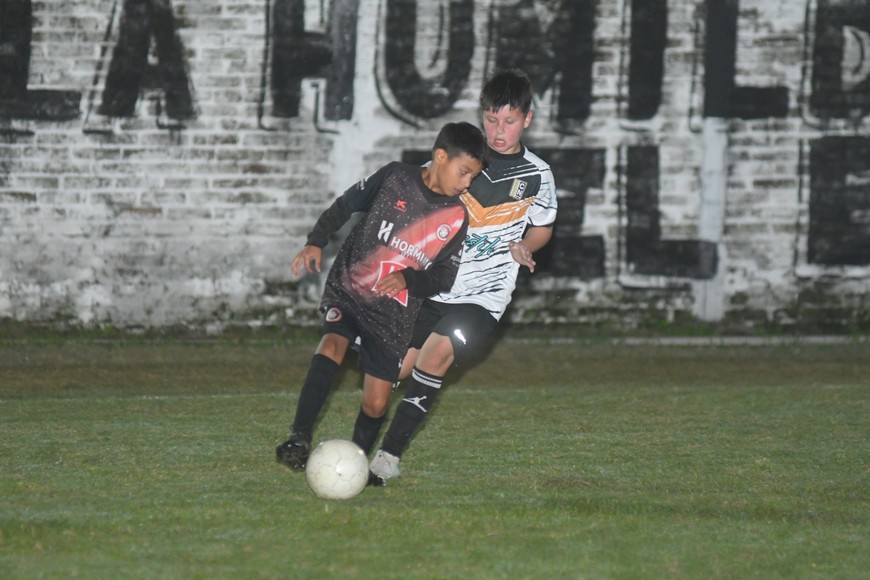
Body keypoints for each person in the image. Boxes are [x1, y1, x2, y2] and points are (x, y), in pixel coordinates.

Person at [368, 69, 558, 485]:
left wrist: (526, 246)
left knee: (436, 357)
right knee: (398, 370)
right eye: (491, 120)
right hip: (433, 286)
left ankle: (387, 459)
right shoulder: (461, 159)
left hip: (483, 296)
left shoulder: (537, 175)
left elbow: (542, 226)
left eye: (509, 121)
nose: (498, 131)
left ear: (528, 118)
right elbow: (414, 205)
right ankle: (364, 437)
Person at [275, 122, 488, 471]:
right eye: (464, 172)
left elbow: (445, 276)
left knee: (375, 404)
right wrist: (316, 239)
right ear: (440, 157)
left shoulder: (456, 217)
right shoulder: (394, 178)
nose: (466, 183)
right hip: (352, 289)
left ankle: (354, 463)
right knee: (330, 345)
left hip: (393, 316)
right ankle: (299, 437)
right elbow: (346, 204)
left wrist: (408, 278)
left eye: (473, 177)